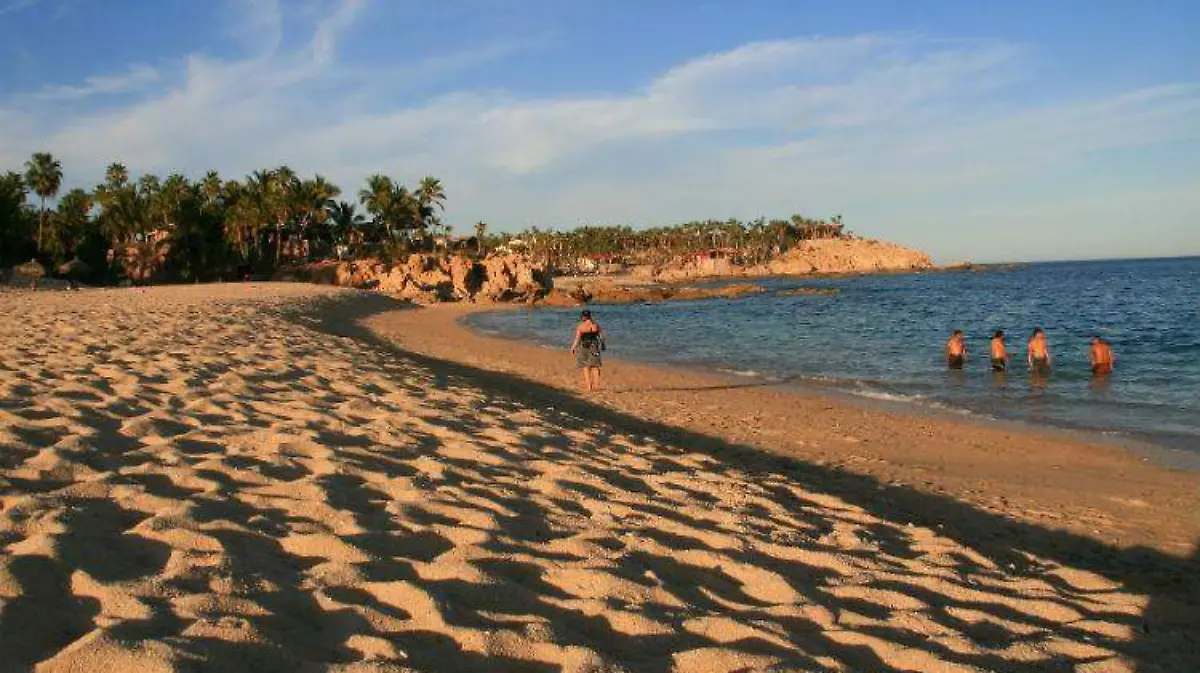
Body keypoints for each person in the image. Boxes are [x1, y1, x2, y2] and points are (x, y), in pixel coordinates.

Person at [570, 309, 605, 391]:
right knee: (595, 366)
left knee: (585, 366)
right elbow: (601, 336)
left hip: (584, 346)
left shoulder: (581, 326)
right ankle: (597, 385)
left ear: (583, 317)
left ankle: (589, 386)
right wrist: (603, 345)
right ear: (590, 316)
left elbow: (577, 339)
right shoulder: (596, 325)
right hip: (594, 346)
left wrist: (573, 347)